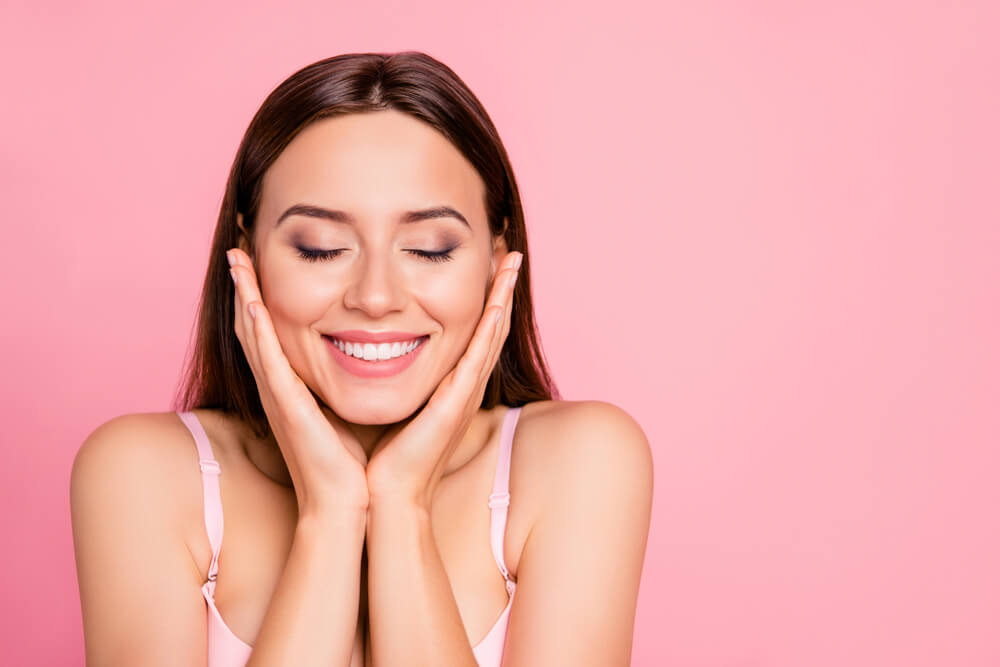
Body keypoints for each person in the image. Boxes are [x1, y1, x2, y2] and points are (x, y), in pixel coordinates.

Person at [70, 51, 654, 666]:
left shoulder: (580, 460)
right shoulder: (143, 474)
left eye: (429, 249)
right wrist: (330, 515)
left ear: (497, 254)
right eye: (321, 249)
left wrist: (403, 505)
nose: (375, 298)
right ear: (247, 251)